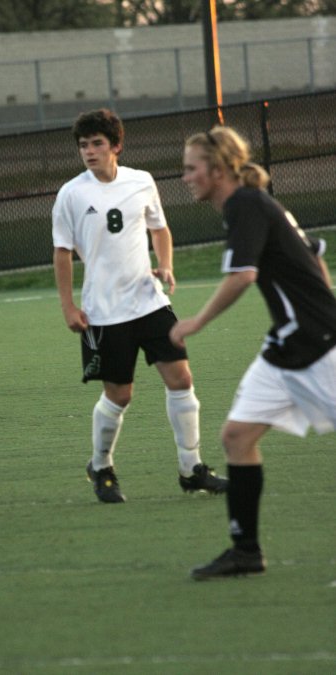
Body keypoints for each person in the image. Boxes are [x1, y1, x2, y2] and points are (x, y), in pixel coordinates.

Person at [170, 125, 336, 579]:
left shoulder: (244, 202)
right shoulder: (251, 201)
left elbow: (242, 275)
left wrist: (195, 322)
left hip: (316, 345)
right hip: (290, 342)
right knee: (237, 437)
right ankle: (245, 551)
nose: (185, 177)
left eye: (191, 168)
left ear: (218, 169)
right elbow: (315, 253)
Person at [52, 108, 227, 503]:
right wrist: (68, 306)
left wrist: (165, 264)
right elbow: (61, 253)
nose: (90, 151)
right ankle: (101, 465)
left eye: (97, 143)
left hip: (149, 302)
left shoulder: (141, 181)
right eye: (83, 145)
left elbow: (159, 227)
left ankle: (191, 469)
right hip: (103, 310)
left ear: (116, 145)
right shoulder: (71, 194)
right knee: (120, 396)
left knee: (182, 380)